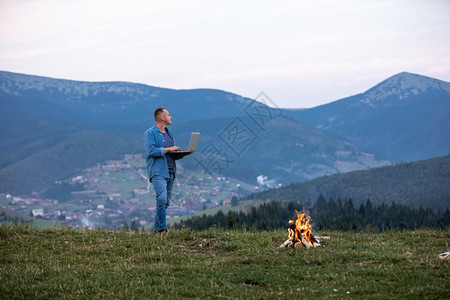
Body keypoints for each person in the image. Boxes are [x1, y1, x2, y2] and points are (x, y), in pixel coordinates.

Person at [143, 107, 194, 234]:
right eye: (168, 115)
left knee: (165, 203)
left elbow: (171, 154)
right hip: (158, 171)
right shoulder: (150, 133)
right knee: (161, 199)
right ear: (162, 118)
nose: (171, 117)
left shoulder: (169, 134)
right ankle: (162, 229)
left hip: (171, 171)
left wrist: (185, 153)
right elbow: (151, 151)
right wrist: (169, 149)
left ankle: (156, 230)